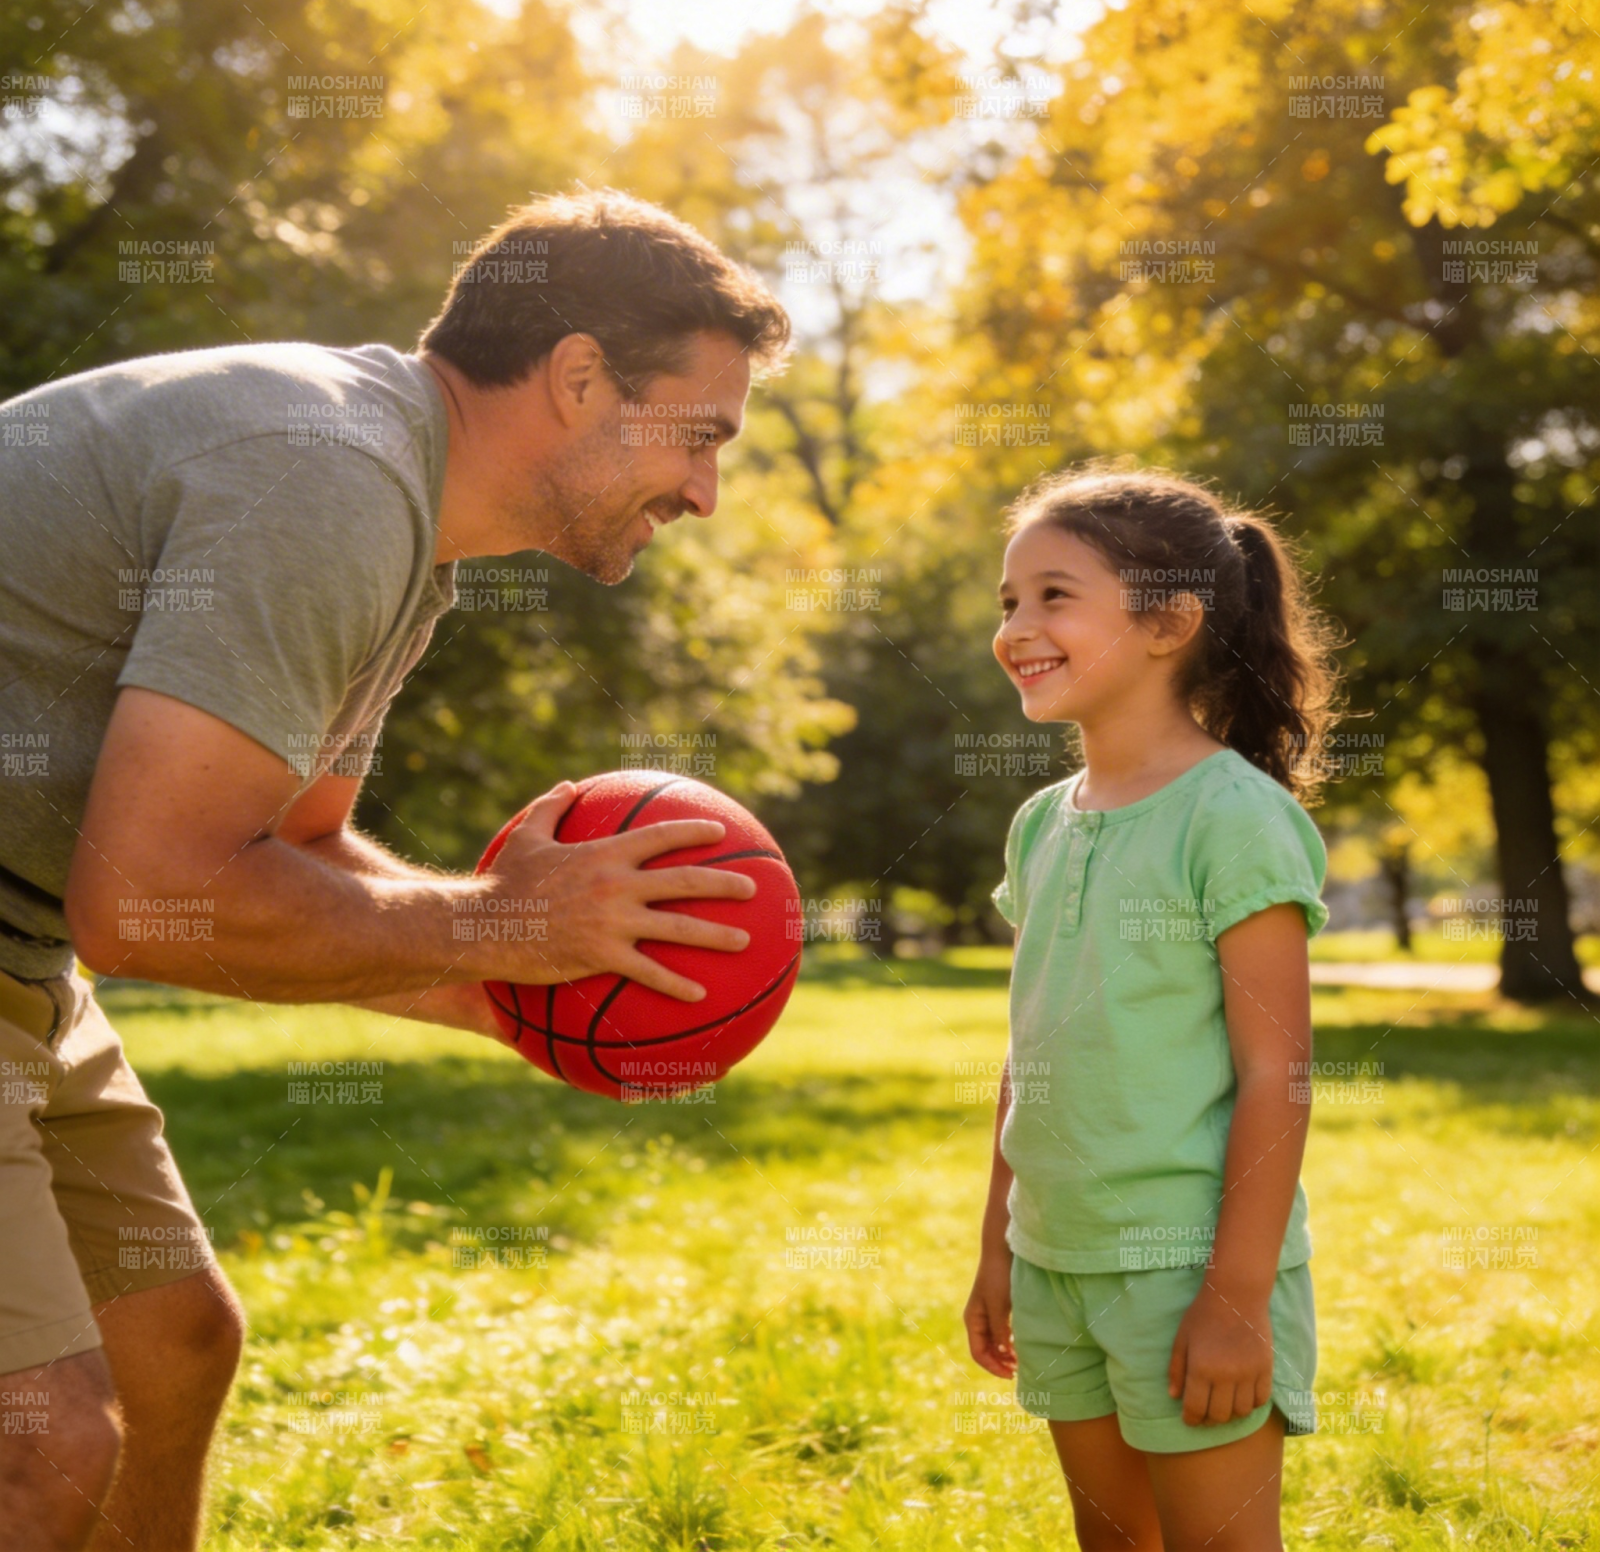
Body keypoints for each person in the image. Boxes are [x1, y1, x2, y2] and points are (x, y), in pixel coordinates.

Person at [0, 188, 789, 1550]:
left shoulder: (400, 520)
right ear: (581, 376)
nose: (706, 496)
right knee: (44, 1441)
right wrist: (500, 923)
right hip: (38, 934)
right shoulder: (329, 478)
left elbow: (291, 852)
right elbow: (145, 901)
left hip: (20, 955)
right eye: (700, 437)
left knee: (173, 1346)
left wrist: (518, 988)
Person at [964, 465, 1341, 1550]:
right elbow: (1027, 1051)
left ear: (1169, 620)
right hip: (1055, 1261)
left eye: (1052, 595)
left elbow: (1279, 1073)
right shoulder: (1041, 823)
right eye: (1008, 601)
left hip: (1186, 1268)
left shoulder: (1231, 817)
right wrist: (998, 1245)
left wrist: (1232, 1296)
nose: (1017, 627)